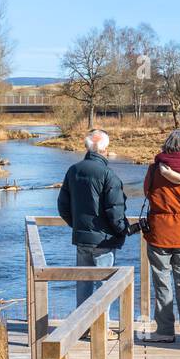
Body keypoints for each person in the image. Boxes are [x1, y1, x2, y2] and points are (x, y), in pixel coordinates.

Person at [141, 129, 180, 344]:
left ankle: (165, 331)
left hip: (159, 232)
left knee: (162, 283)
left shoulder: (155, 169)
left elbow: (147, 192)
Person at [57, 128, 127, 309]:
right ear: (105, 148)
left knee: (83, 284)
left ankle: (83, 328)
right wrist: (123, 230)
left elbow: (62, 206)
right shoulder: (108, 175)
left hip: (82, 238)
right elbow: (115, 211)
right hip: (104, 241)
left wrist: (77, 226)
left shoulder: (73, 170)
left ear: (87, 147)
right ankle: (102, 330)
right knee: (104, 286)